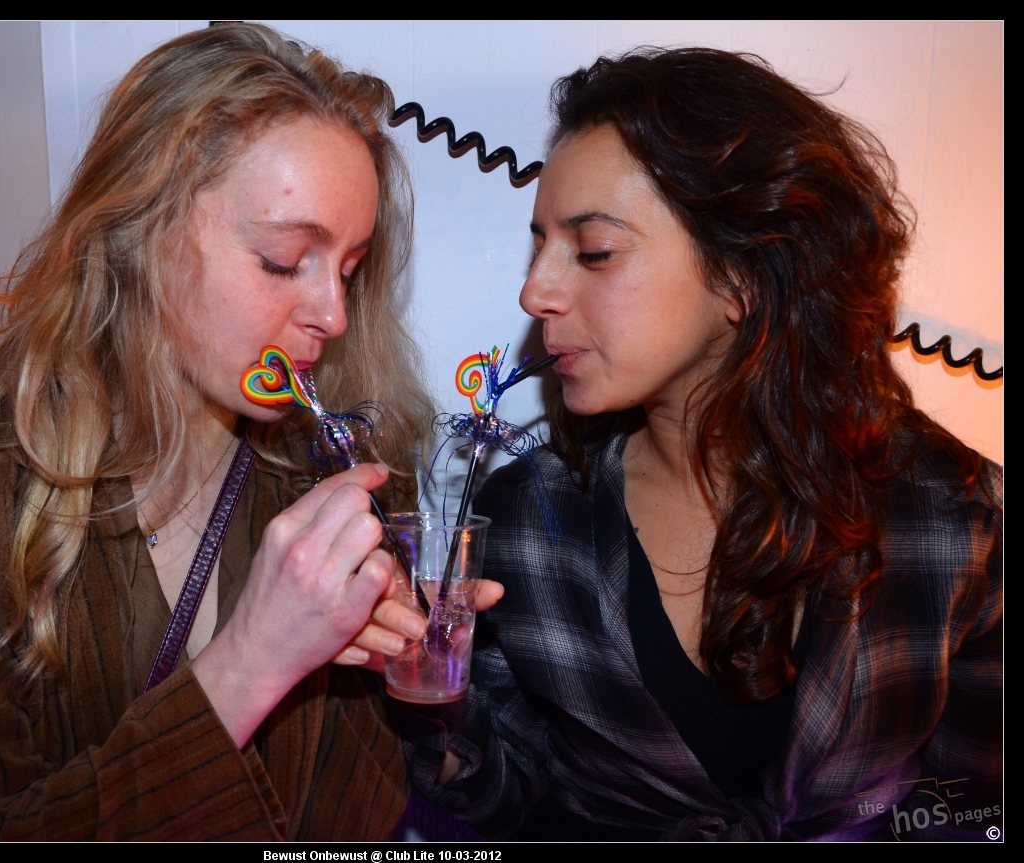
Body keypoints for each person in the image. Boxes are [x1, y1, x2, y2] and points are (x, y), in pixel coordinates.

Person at [0, 23, 438, 841]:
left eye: (350, 271)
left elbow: (364, 803)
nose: (333, 314)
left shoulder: (344, 466)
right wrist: (252, 662)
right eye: (283, 259)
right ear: (140, 229)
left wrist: (410, 663)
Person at [401, 47, 1002, 840]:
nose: (535, 290)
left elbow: (977, 806)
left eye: (594, 250)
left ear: (742, 274)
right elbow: (504, 793)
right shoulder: (531, 520)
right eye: (538, 244)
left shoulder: (952, 518)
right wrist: (431, 694)